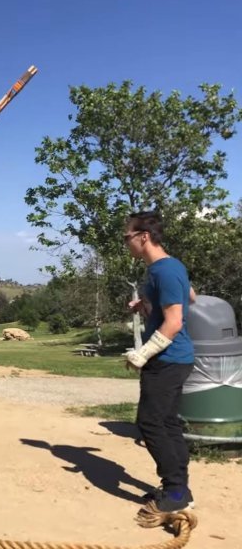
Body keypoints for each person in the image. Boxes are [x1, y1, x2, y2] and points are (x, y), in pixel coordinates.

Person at [123, 211, 196, 513]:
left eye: (127, 237)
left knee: (150, 423)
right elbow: (190, 296)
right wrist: (147, 306)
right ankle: (178, 488)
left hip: (167, 359)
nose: (125, 242)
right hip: (176, 358)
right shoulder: (169, 267)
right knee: (167, 423)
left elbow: (175, 321)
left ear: (144, 236)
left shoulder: (163, 271)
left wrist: (142, 354)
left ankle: (177, 492)